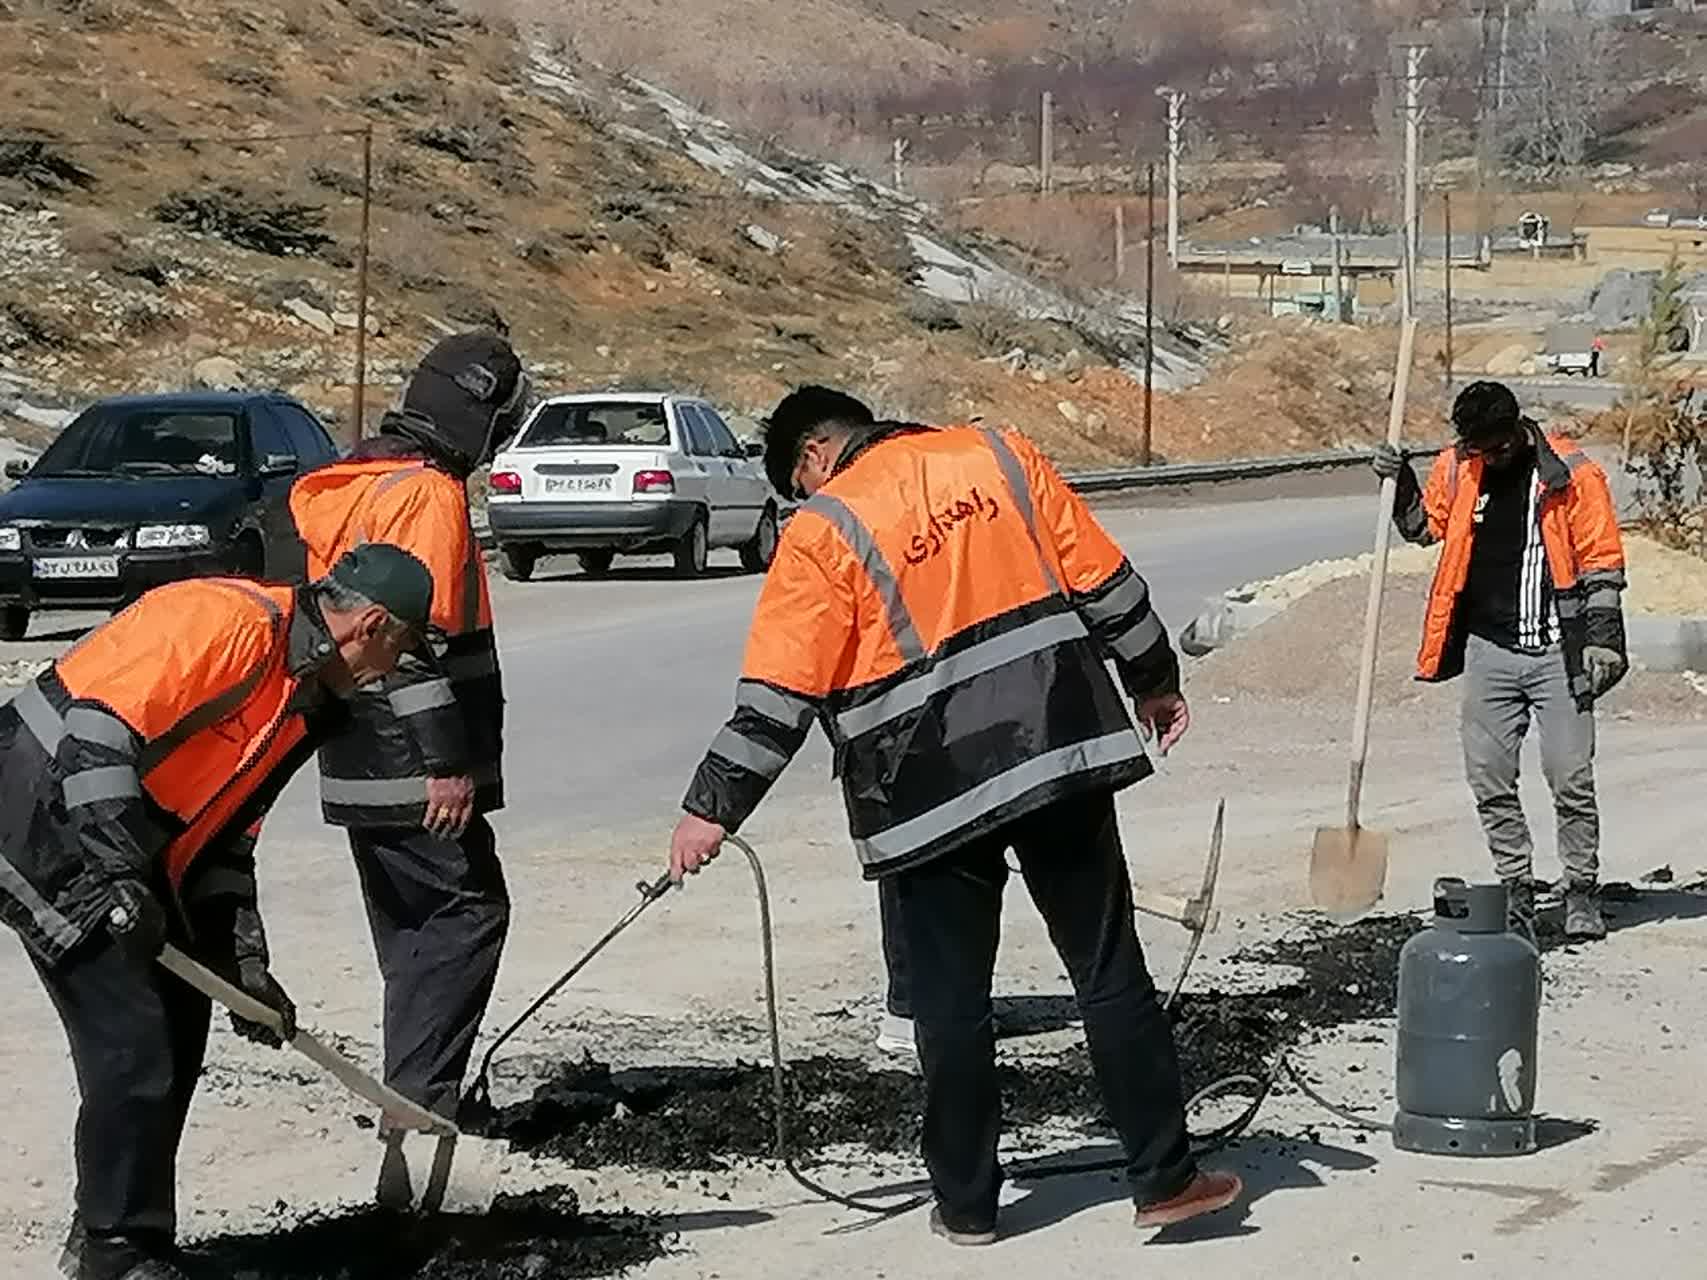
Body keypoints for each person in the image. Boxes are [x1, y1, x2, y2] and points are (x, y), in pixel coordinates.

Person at [667, 386, 1242, 1243]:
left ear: (815, 455)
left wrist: (709, 811)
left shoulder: (821, 532)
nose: (807, 497)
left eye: (800, 482)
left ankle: (968, 1208)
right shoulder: (1000, 457)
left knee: (949, 1005)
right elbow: (1109, 587)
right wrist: (1154, 681)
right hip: (1058, 753)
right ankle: (1163, 1179)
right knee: (1107, 971)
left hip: (922, 795)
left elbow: (778, 697)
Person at [1, 544, 433, 1280]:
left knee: (178, 1025)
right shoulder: (229, 622)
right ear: (370, 623)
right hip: (36, 815)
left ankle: (123, 1234)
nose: (393, 670)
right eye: (401, 648)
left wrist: (242, 967)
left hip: (119, 842)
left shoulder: (306, 699)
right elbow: (96, 732)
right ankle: (116, 1251)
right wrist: (118, 879)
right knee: (133, 1042)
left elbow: (227, 840)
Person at [287, 331, 528, 1123]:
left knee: (412, 925)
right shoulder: (424, 493)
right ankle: (420, 1102)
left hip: (353, 750)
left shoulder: (350, 480)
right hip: (408, 758)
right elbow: (412, 641)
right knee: (466, 915)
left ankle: (414, 1086)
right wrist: (446, 764)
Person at [1374, 381, 1627, 944]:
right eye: (1476, 448)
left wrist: (1604, 639)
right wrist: (1398, 483)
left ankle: (1581, 892)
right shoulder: (1458, 466)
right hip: (1489, 651)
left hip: (1558, 652)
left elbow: (1602, 559)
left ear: (1516, 429)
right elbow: (1423, 528)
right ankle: (1517, 890)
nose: (1486, 457)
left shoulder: (1571, 472)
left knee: (1571, 778)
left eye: (1493, 446)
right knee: (1489, 778)